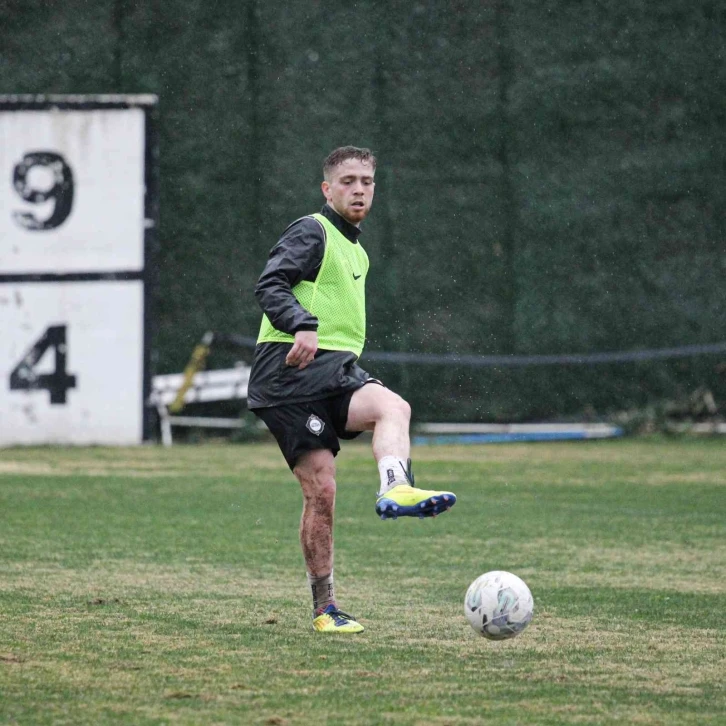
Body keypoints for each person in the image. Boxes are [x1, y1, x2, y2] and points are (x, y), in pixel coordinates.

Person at [248, 146, 456, 634]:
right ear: (327, 189)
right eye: (347, 181)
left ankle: (395, 487)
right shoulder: (312, 231)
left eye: (366, 180)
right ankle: (325, 609)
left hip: (333, 369)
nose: (358, 189)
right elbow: (271, 283)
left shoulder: (357, 249)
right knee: (322, 491)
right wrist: (301, 324)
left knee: (393, 407)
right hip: (288, 372)